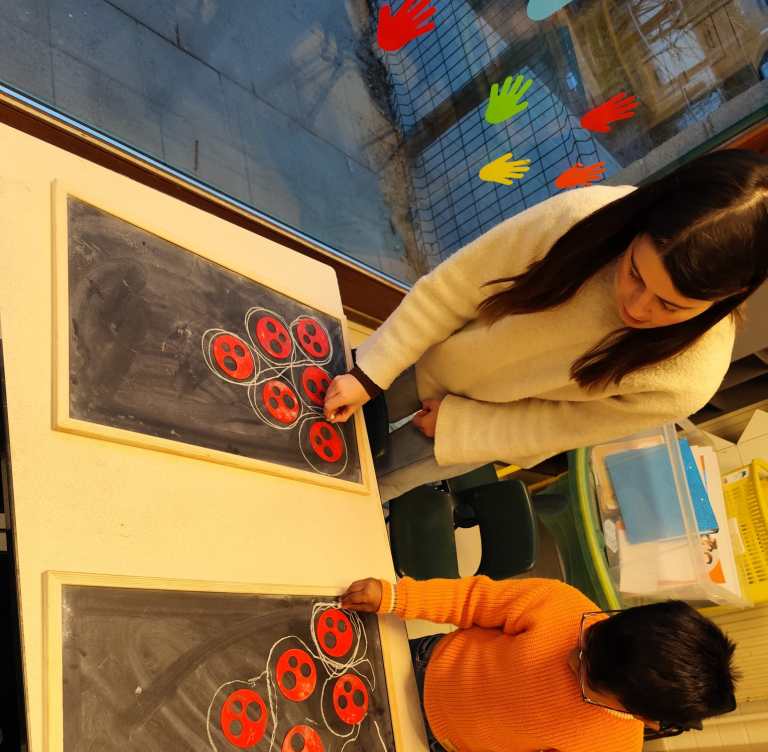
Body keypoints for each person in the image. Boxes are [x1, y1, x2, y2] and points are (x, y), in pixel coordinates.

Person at [323, 150, 768, 501]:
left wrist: (464, 426)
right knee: (318, 411)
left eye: (670, 305)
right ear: (639, 227)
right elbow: (456, 286)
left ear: (727, 297)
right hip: (431, 349)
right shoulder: (583, 218)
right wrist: (370, 372)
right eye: (634, 272)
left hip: (484, 427)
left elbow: (561, 427)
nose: (636, 307)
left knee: (358, 490)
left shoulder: (691, 378)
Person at [339, 574, 738, 752]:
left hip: (433, 740)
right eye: (587, 639)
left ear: (644, 719)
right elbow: (475, 600)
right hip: (421, 662)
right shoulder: (566, 606)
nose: (571, 655)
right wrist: (399, 597)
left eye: (584, 674)